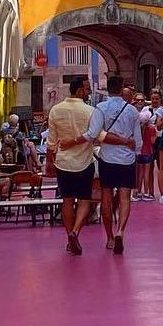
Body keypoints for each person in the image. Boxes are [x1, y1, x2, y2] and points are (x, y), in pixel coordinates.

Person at [66, 75, 140, 254]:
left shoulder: (100, 108)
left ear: (107, 88)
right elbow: (138, 141)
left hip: (107, 159)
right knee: (124, 198)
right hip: (127, 159)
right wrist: (132, 151)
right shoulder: (131, 111)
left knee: (106, 196)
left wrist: (73, 141)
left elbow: (93, 134)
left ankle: (109, 238)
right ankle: (121, 231)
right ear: (121, 87)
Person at [47, 76, 95, 255]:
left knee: (66, 200)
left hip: (63, 162)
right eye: (87, 88)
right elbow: (94, 135)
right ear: (80, 90)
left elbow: (51, 142)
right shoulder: (90, 111)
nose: (88, 91)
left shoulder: (55, 110)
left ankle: (69, 235)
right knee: (84, 201)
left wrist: (50, 161)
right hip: (84, 161)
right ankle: (75, 231)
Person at [133, 91, 157, 202]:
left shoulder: (135, 121)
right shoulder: (151, 127)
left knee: (139, 172)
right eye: (138, 100)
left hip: (138, 149)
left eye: (141, 100)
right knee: (144, 172)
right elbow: (153, 140)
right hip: (146, 150)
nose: (140, 102)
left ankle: (137, 192)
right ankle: (146, 192)